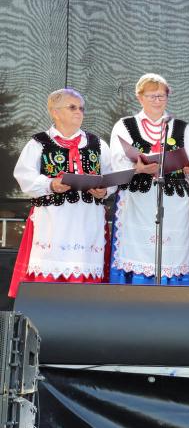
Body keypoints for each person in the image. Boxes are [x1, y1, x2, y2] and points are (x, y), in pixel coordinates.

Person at [9, 89, 113, 297]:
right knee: (49, 266)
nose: (79, 112)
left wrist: (104, 190)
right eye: (72, 107)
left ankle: (83, 311)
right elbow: (24, 176)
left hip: (87, 219)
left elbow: (110, 175)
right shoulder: (39, 143)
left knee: (85, 268)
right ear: (55, 112)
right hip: (52, 220)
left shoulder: (97, 143)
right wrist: (50, 184)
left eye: (81, 108)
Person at [109, 73, 189, 285]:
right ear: (140, 97)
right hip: (138, 200)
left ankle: (175, 295)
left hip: (173, 201)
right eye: (152, 96)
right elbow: (117, 161)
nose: (157, 101)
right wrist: (137, 167)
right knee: (138, 251)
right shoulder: (125, 125)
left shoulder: (181, 127)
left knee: (173, 254)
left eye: (161, 96)